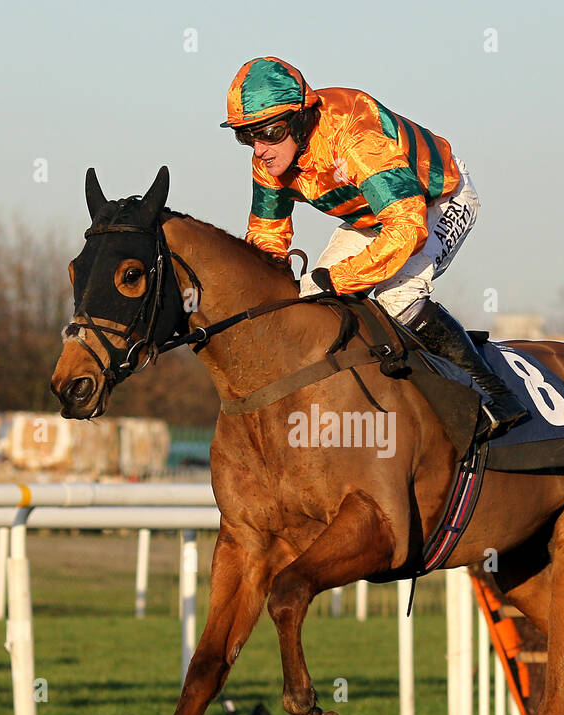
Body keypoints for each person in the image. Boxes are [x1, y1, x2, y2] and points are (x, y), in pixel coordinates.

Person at [221, 56, 528, 439]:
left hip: (435, 199)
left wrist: (341, 278)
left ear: (299, 119)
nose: (259, 148)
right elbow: (267, 235)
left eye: (269, 132)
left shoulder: (353, 135)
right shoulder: (268, 160)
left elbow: (406, 226)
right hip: (372, 216)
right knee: (312, 301)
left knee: (397, 295)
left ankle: (496, 395)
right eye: (246, 135)